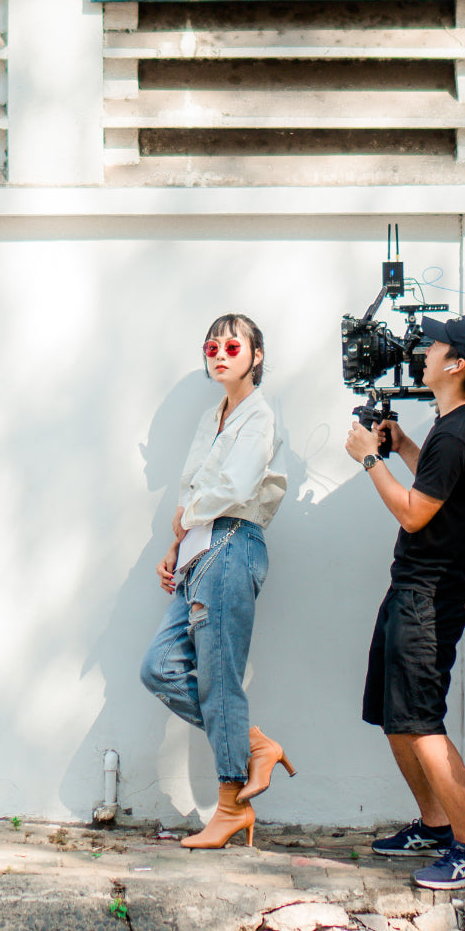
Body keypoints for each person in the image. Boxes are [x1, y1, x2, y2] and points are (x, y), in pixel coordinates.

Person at [342, 315, 465, 890]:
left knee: (421, 721)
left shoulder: (463, 430)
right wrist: (405, 444)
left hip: (431, 595)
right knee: (396, 715)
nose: (423, 350)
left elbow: (413, 511)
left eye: (435, 345)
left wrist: (370, 459)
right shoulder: (456, 422)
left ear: (456, 364)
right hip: (412, 584)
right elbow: (435, 489)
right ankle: (435, 827)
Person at [140, 313, 289, 848]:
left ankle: (229, 809)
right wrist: (176, 548)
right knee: (159, 668)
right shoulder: (213, 417)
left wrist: (187, 520)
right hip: (201, 551)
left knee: (218, 678)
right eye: (211, 347)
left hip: (232, 545)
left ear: (256, 356)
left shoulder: (259, 417)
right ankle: (253, 745)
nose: (220, 354)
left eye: (233, 345)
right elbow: (192, 488)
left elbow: (234, 487)